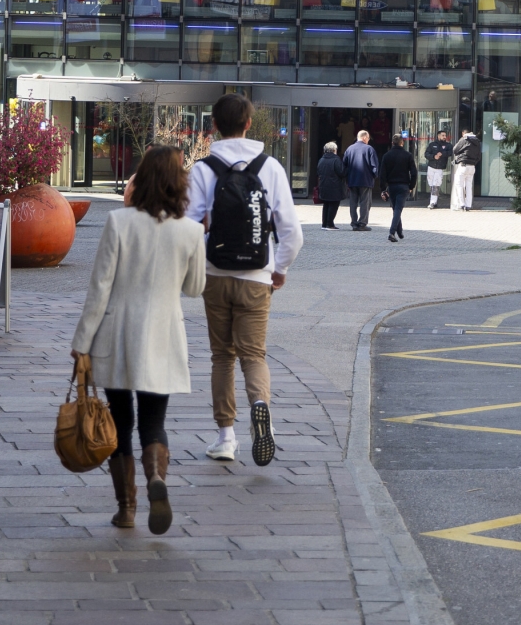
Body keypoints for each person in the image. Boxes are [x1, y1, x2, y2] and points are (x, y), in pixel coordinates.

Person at [71, 145, 206, 534]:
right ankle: (156, 480)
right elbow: (195, 288)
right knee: (154, 422)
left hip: (116, 334)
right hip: (163, 336)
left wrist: (82, 342)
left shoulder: (118, 222)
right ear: (180, 184)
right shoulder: (191, 231)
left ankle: (126, 508)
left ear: (140, 180)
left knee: (119, 421)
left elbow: (100, 289)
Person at [190, 94, 303, 468]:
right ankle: (260, 408)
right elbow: (292, 232)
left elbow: (188, 229)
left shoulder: (202, 169)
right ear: (249, 124)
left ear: (214, 126)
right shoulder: (270, 167)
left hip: (215, 275)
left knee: (222, 356)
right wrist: (280, 269)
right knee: (253, 355)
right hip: (257, 276)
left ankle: (225, 437)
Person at [380, 134, 418, 242]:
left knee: (396, 208)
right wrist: (411, 186)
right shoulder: (408, 155)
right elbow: (414, 173)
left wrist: (383, 189)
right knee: (398, 209)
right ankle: (392, 233)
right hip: (403, 185)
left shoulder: (387, 156)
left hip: (391, 186)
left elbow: (382, 174)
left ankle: (399, 231)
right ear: (402, 143)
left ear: (392, 143)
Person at [343, 129, 380, 230]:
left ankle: (354, 223)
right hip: (365, 180)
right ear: (364, 137)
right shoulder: (369, 149)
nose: (368, 140)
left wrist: (347, 177)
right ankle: (362, 223)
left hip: (352, 180)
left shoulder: (349, 149)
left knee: (353, 202)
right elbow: (374, 166)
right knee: (365, 202)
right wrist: (374, 176)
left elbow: (344, 165)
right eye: (368, 138)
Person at [315, 141, 344, 230]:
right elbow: (341, 172)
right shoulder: (336, 160)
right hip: (334, 186)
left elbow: (318, 172)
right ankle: (330, 224)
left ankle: (324, 224)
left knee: (326, 204)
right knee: (333, 204)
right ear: (334, 150)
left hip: (323, 185)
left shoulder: (321, 159)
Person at [451, 127, 481, 210]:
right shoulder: (477, 141)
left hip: (463, 165)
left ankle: (462, 204)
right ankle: (468, 205)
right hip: (472, 167)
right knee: (469, 186)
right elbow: (479, 156)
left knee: (459, 185)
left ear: (463, 133)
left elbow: (455, 150)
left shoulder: (464, 139)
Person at [424, 125, 453, 209]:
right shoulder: (432, 144)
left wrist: (442, 154)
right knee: (431, 185)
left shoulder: (448, 145)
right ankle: (435, 201)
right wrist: (434, 156)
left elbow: (450, 153)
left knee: (435, 185)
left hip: (440, 168)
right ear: (438, 136)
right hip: (431, 167)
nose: (444, 137)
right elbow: (426, 154)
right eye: (443, 135)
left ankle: (432, 203)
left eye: (445, 135)